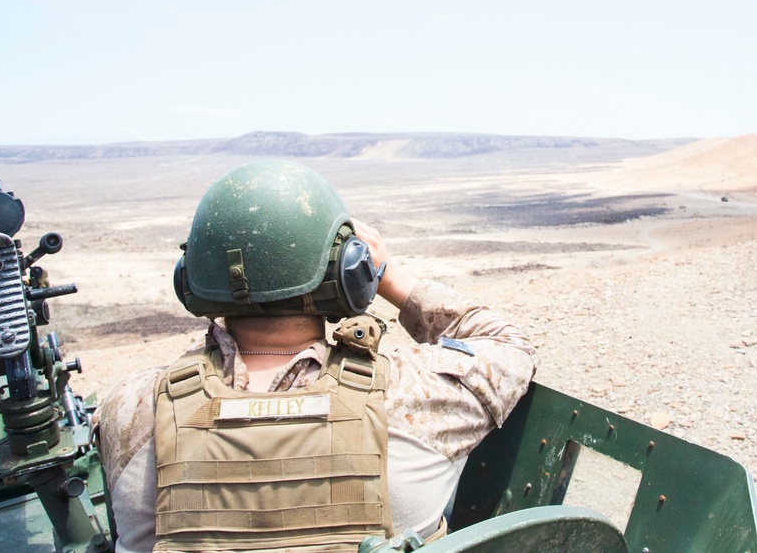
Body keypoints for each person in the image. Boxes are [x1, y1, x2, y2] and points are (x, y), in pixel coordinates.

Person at [95, 160, 536, 552]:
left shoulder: (131, 408)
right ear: (347, 271)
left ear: (191, 281)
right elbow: (508, 342)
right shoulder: (414, 395)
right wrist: (389, 277)